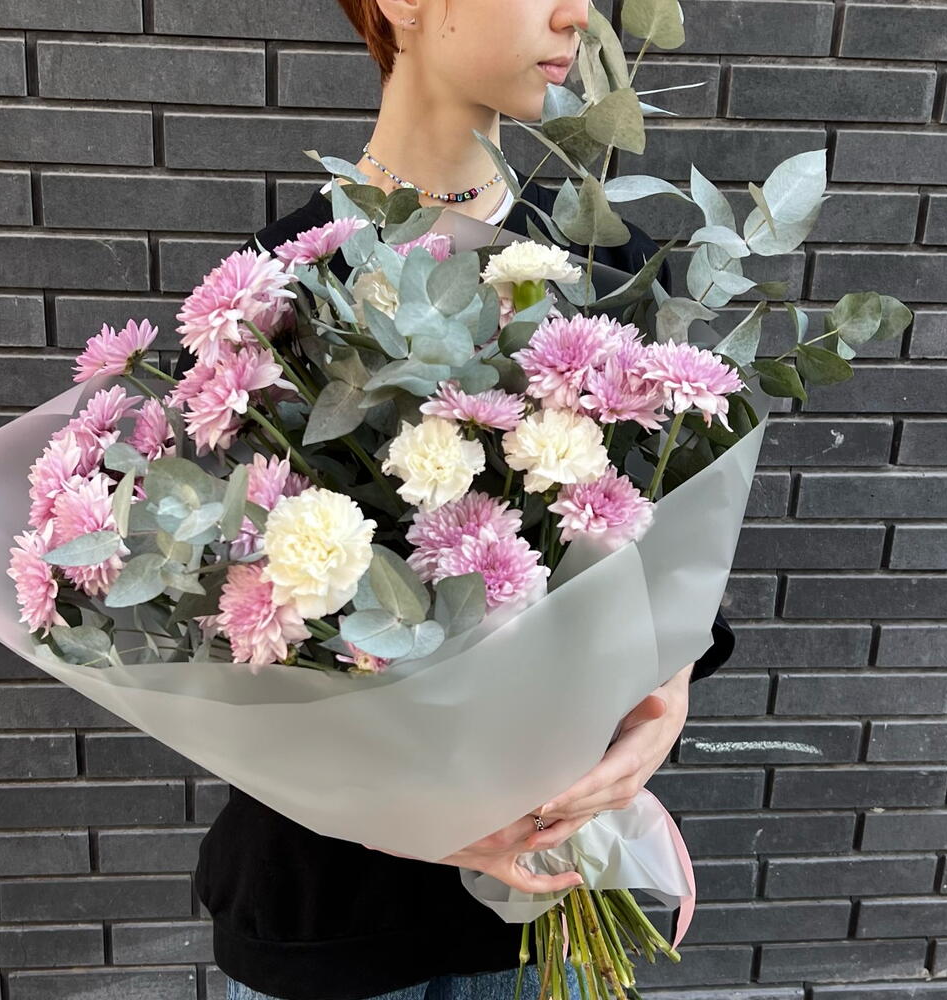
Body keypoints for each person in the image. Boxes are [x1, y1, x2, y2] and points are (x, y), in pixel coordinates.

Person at [172, 2, 738, 998]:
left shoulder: (610, 269)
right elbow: (223, 629)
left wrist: (668, 694)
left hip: (547, 909)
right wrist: (394, 806)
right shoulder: (265, 304)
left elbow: (668, 547)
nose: (577, 13)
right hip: (329, 919)